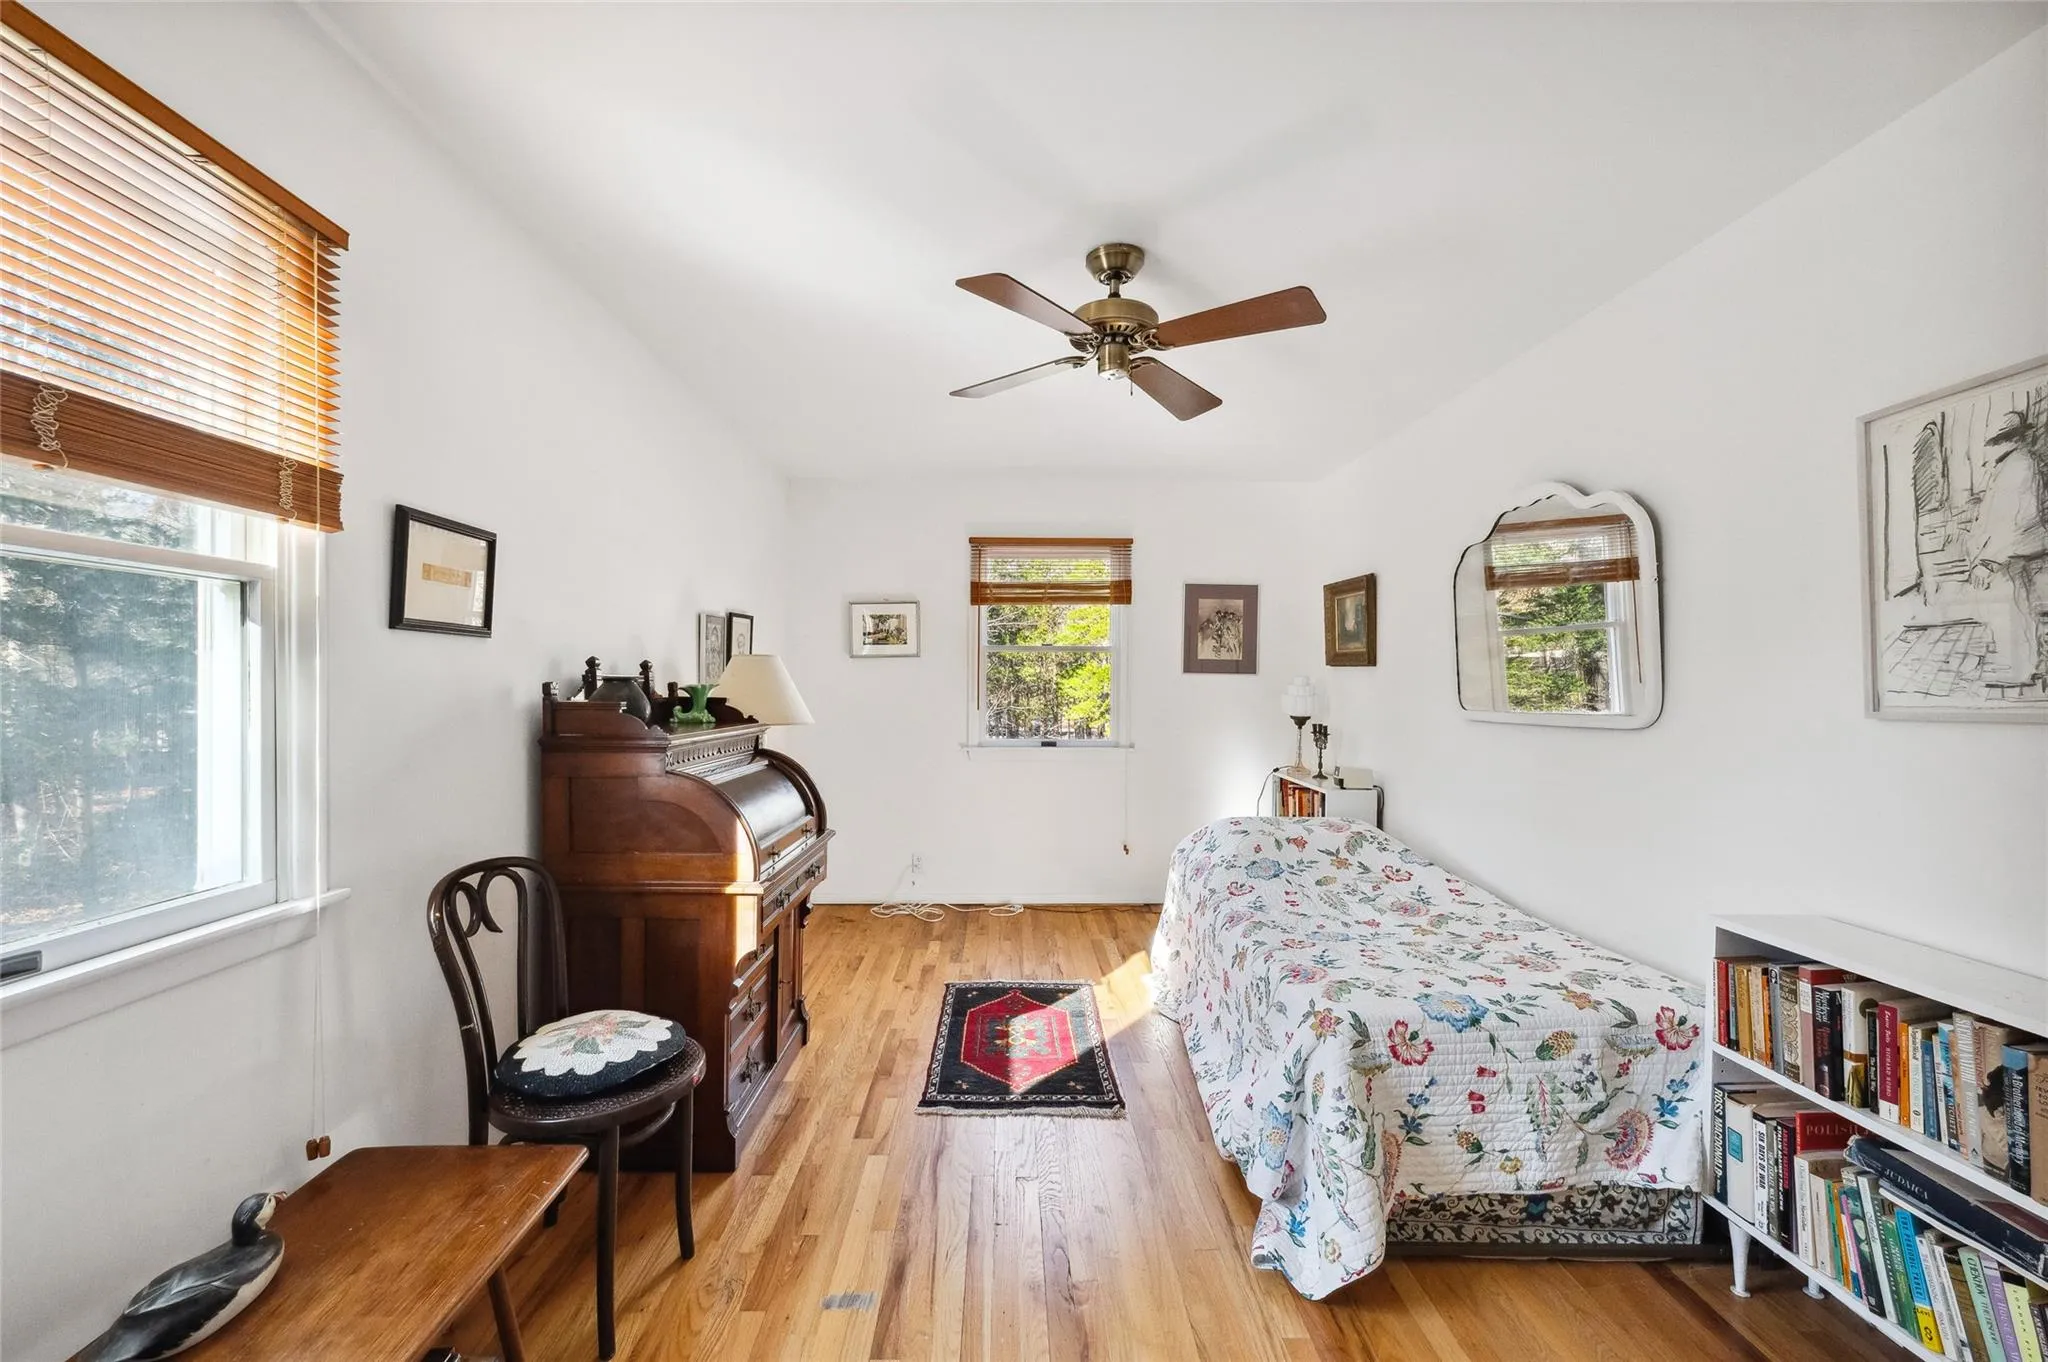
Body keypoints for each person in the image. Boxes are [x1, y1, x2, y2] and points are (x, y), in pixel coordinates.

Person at [1968, 402, 2048, 689]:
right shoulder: (2013, 464)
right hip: (2013, 552)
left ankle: (2018, 669)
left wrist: (1988, 561)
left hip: (2010, 554)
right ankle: (2027, 665)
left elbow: (2011, 522)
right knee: (2020, 609)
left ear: (2003, 440)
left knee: (2012, 610)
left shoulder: (2017, 467)